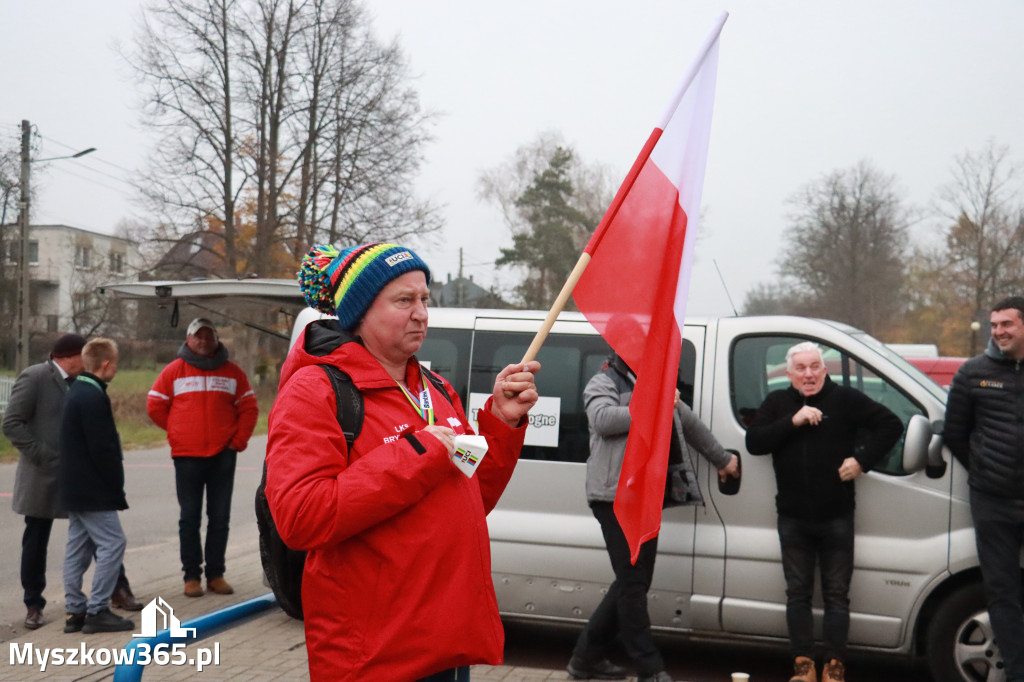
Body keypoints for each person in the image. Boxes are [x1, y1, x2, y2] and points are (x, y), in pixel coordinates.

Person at [265, 243, 541, 681]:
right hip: (377, 657)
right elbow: (302, 517)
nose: (421, 313)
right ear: (360, 313)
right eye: (404, 300)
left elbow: (471, 494)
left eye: (425, 299)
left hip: (447, 644)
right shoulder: (314, 392)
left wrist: (501, 423)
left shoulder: (435, 388)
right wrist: (419, 452)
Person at [567, 352, 739, 682]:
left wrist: (723, 460)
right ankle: (650, 669)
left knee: (635, 580)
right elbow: (602, 419)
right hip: (612, 497)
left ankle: (585, 658)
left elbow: (689, 424)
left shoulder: (658, 388)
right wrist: (656, 405)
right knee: (633, 582)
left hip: (645, 497)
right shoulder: (604, 381)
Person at [745, 341, 902, 682]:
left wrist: (862, 461)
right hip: (792, 517)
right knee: (797, 594)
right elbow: (754, 442)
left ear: (824, 370)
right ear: (788, 374)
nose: (809, 374)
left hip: (837, 516)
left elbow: (891, 425)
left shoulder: (844, 400)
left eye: (815, 366)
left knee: (836, 595)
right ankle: (803, 666)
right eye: (800, 368)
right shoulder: (778, 403)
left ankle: (834, 666)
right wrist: (794, 420)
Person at [2, 334, 142, 632]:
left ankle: (111, 592)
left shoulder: (83, 384)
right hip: (45, 474)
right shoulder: (37, 377)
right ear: (71, 356)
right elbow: (12, 423)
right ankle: (34, 603)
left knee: (86, 540)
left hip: (78, 473)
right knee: (39, 538)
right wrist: (48, 457)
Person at [147, 317, 258, 598]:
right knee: (189, 518)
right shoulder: (173, 371)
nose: (204, 340)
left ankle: (216, 574)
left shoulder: (233, 372)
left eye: (209, 336)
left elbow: (249, 407)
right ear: (188, 339)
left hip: (223, 455)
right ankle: (191, 577)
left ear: (217, 339)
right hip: (187, 457)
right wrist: (178, 432)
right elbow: (155, 405)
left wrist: (237, 442)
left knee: (220, 517)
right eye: (199, 336)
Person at [945, 296, 1024, 682]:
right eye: (994, 325)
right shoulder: (972, 373)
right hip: (993, 501)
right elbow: (955, 433)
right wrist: (984, 470)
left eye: (1006, 324)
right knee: (1002, 593)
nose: (998, 332)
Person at [59, 338, 135, 634]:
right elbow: (102, 449)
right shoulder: (92, 397)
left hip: (74, 488)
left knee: (77, 549)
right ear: (106, 365)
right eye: (115, 363)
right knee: (114, 543)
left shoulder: (76, 391)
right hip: (93, 490)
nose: (116, 368)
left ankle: (74, 610)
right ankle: (97, 609)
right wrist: (115, 488)